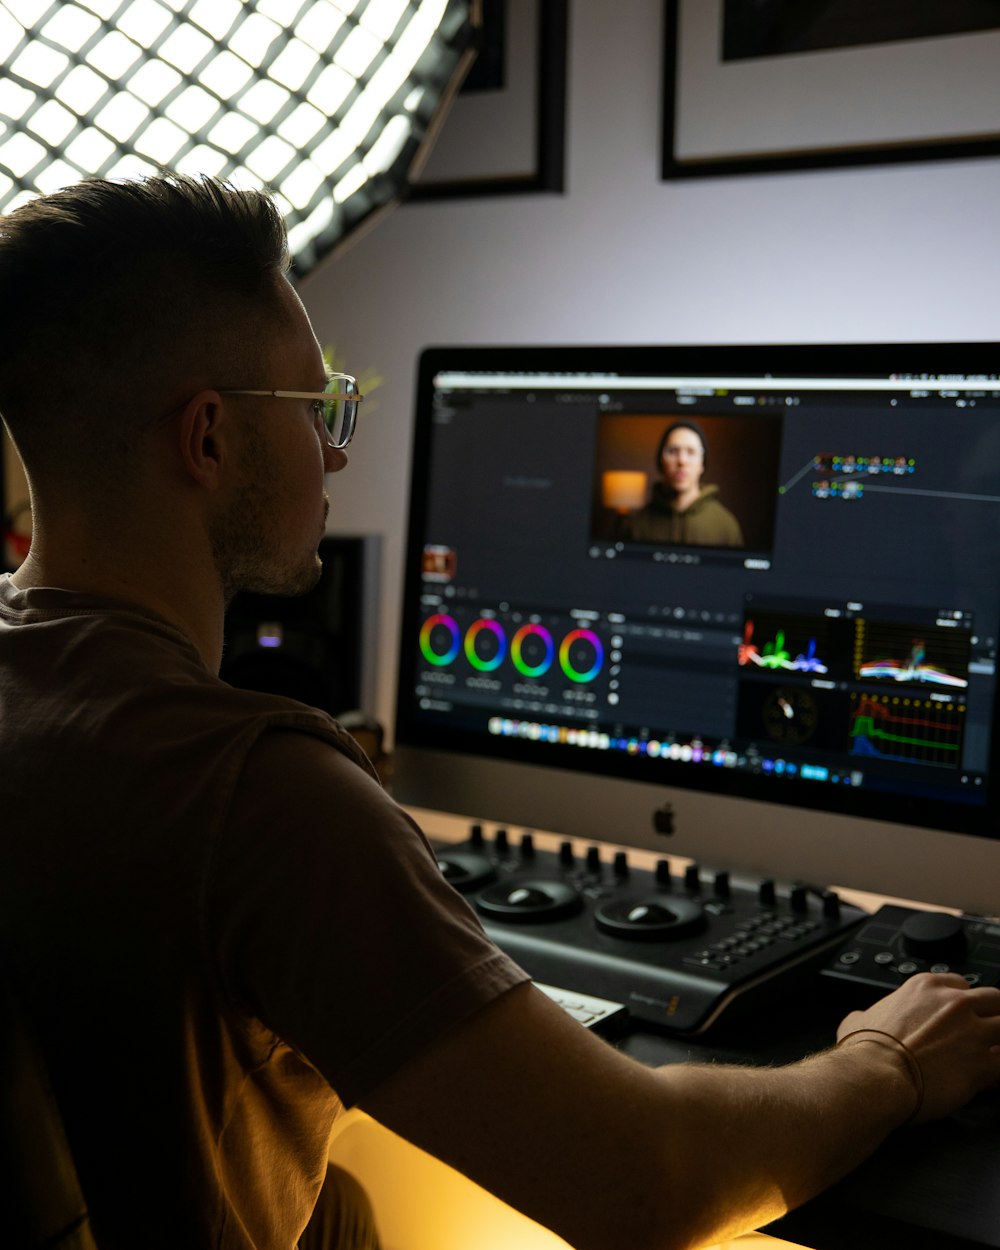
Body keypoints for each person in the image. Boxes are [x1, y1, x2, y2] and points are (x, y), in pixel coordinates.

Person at [0, 175, 998, 1250]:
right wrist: (887, 1061)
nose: (336, 450)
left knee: (351, 1210)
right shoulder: (257, 792)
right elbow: (643, 1183)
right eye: (316, 406)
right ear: (208, 439)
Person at [622, 420, 744, 546]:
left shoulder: (726, 526)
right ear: (661, 462)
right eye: (673, 451)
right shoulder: (636, 525)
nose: (682, 461)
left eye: (691, 452)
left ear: (702, 464)